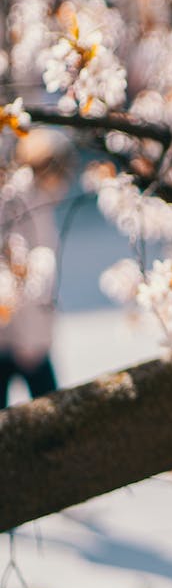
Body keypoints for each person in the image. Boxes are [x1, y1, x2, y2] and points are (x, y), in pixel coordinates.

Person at [0, 127, 72, 407]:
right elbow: (22, 273)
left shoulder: (33, 198)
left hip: (23, 335)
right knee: (51, 411)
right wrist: (30, 343)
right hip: (18, 339)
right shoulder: (24, 202)